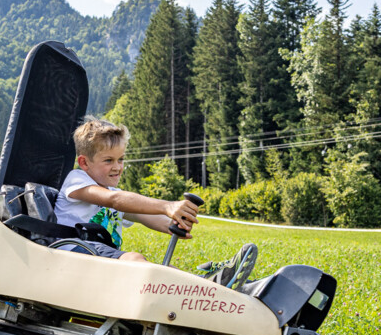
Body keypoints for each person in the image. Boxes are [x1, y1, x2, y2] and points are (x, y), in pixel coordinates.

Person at [54, 118, 256, 287]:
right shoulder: (77, 180)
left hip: (98, 257)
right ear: (84, 162)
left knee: (168, 271)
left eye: (121, 159)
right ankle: (208, 287)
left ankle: (209, 286)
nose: (117, 167)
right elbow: (115, 201)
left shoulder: (113, 191)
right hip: (73, 253)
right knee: (134, 260)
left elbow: (145, 215)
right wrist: (167, 205)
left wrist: (176, 221)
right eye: (108, 161)